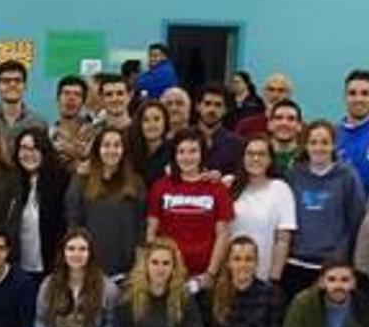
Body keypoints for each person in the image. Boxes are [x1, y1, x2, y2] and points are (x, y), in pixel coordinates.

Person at [286, 121, 365, 303]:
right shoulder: (294, 175)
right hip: (296, 263)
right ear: (305, 145)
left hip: (333, 266)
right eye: (313, 142)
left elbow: (356, 220)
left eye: (324, 142)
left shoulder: (347, 176)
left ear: (334, 145)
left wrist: (343, 256)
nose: (319, 148)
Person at [146, 129, 233, 279]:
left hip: (203, 274)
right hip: (168, 273)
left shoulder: (217, 188)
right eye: (181, 152)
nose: (187, 157)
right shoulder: (160, 186)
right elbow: (151, 231)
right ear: (175, 155)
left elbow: (223, 234)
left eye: (193, 151)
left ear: (202, 154)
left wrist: (210, 273)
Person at [64, 126, 146, 277]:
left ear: (124, 150)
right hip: (91, 266)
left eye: (117, 145)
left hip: (127, 269)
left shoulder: (136, 183)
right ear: (97, 149)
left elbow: (142, 225)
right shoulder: (81, 181)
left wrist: (139, 263)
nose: (112, 150)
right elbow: (73, 223)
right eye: (106, 145)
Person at [231, 137, 297, 283]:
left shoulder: (281, 189)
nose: (255, 158)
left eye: (261, 154)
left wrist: (274, 278)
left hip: (263, 276)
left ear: (270, 160)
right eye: (250, 153)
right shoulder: (229, 186)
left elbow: (283, 239)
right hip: (229, 275)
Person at [10, 127, 68, 281]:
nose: (28, 154)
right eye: (23, 148)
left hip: (50, 269)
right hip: (17, 269)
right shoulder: (12, 183)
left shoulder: (61, 182)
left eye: (35, 148)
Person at [0, 60, 48, 138]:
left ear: (25, 86)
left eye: (18, 81)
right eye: (6, 81)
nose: (12, 85)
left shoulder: (38, 123)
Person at [197, 85, 245, 175]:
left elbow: (240, 174)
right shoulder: (183, 138)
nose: (212, 109)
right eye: (207, 103)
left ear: (225, 110)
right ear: (198, 106)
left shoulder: (237, 144)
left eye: (218, 105)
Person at [51, 75, 96, 170]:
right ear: (57, 99)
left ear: (83, 102)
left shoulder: (95, 134)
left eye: (77, 94)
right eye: (66, 93)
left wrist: (70, 152)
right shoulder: (47, 136)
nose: (71, 98)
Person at [337, 70, 369, 193]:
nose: (358, 99)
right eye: (352, 93)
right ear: (345, 97)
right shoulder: (332, 136)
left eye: (365, 93)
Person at [130, 100, 173, 184]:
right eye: (146, 120)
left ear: (165, 122)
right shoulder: (131, 152)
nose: (151, 124)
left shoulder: (175, 151)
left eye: (156, 119)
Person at [267, 99, 304, 175]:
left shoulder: (307, 159)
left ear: (299, 126)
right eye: (278, 118)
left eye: (291, 119)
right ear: (270, 124)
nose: (284, 123)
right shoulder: (259, 157)